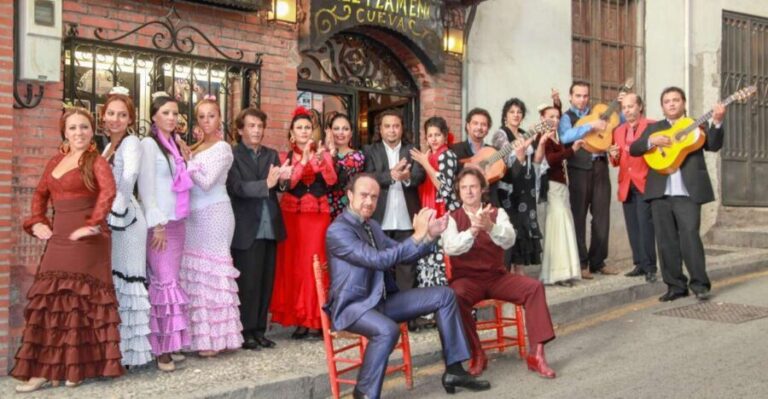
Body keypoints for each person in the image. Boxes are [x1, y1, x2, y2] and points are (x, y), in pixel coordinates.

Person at [325, 173, 491, 399]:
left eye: (374, 197)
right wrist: (417, 236)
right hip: (354, 307)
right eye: (364, 195)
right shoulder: (338, 230)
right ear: (350, 195)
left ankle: (454, 370)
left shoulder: (372, 226)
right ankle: (364, 393)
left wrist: (429, 236)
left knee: (445, 295)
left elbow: (402, 255)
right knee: (387, 330)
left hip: (381, 301)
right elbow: (379, 260)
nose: (369, 202)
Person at [12, 107, 122, 392]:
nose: (79, 133)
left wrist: (94, 223)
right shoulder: (55, 161)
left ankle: (76, 368)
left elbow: (109, 192)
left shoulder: (96, 161)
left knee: (76, 303)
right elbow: (39, 194)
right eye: (73, 128)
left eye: (84, 127)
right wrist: (37, 222)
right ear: (64, 131)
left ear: (91, 131)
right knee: (49, 304)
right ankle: (44, 371)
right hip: (60, 236)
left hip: (87, 239)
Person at [444, 167, 556, 378]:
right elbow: (451, 247)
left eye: (473, 187)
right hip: (467, 280)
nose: (469, 192)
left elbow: (510, 239)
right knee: (454, 296)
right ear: (458, 191)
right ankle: (477, 353)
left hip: (496, 277)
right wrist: (473, 230)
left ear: (482, 189)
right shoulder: (452, 218)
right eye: (464, 188)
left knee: (534, 288)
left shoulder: (497, 213)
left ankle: (537, 354)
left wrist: (490, 227)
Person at [630, 87, 726, 301]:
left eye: (675, 100)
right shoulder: (654, 128)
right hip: (660, 192)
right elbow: (635, 148)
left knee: (690, 236)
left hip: (688, 192)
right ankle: (675, 286)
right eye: (667, 101)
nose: (671, 104)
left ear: (683, 103)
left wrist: (717, 122)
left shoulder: (697, 124)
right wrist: (651, 142)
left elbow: (713, 145)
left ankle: (700, 285)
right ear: (662, 106)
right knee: (665, 241)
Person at [179, 97, 243, 356]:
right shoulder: (196, 146)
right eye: (202, 116)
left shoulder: (223, 148)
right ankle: (198, 336)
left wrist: (187, 160)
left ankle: (217, 339)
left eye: (211, 116)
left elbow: (205, 182)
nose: (207, 120)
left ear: (219, 118)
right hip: (192, 215)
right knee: (195, 273)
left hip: (215, 213)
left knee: (213, 275)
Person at [271, 107, 338, 339]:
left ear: (313, 131)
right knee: (296, 268)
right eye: (299, 127)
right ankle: (300, 320)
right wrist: (304, 162)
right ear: (292, 132)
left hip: (318, 216)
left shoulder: (324, 153)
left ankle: (317, 320)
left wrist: (320, 162)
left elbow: (331, 181)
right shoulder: (284, 157)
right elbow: (287, 185)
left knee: (315, 266)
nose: (303, 131)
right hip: (292, 217)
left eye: (307, 127)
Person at [137, 92, 193, 371]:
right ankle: (162, 350)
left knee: (170, 282)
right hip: (160, 225)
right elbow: (146, 187)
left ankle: (170, 341)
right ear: (154, 117)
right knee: (164, 283)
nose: (171, 118)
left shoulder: (173, 144)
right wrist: (156, 224)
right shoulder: (148, 145)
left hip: (177, 222)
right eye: (166, 113)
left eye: (175, 113)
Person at [100, 87, 153, 368]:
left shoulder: (131, 143)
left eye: (122, 115)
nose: (116, 119)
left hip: (126, 219)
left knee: (128, 282)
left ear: (130, 119)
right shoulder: (108, 146)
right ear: (103, 116)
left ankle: (131, 353)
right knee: (115, 281)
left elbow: (129, 176)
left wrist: (113, 210)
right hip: (112, 216)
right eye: (111, 113)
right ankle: (117, 348)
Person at [228, 108, 288, 350]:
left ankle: (260, 330)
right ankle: (245, 332)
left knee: (265, 282)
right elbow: (237, 187)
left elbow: (279, 187)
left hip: (269, 226)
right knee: (247, 284)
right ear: (241, 129)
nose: (256, 130)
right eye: (251, 126)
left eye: (259, 126)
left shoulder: (271, 154)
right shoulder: (232, 155)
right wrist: (267, 184)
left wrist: (284, 180)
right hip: (246, 228)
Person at [558, 81, 620, 279]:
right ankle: (582, 263)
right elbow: (565, 137)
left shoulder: (599, 112)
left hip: (600, 165)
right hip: (578, 169)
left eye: (585, 96)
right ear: (570, 97)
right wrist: (590, 125)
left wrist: (621, 104)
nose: (582, 100)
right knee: (579, 216)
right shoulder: (566, 117)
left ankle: (598, 261)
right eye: (578, 96)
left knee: (602, 216)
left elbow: (618, 124)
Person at [362, 110, 425, 292]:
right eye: (387, 126)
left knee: (407, 269)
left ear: (401, 129)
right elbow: (367, 177)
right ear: (380, 130)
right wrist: (391, 175)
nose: (392, 130)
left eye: (396, 126)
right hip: (378, 220)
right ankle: (380, 312)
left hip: (406, 220)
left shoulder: (412, 150)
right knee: (377, 268)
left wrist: (405, 178)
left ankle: (407, 315)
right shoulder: (369, 151)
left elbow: (419, 175)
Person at [608, 93, 658, 283]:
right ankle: (638, 263)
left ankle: (650, 267)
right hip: (625, 182)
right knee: (633, 226)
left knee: (646, 226)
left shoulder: (652, 125)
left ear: (640, 107)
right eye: (625, 107)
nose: (627, 110)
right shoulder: (618, 130)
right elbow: (616, 161)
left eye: (631, 106)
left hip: (645, 181)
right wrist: (612, 155)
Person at [491, 98, 544, 275]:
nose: (516, 115)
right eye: (512, 112)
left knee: (524, 228)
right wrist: (526, 143)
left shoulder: (524, 133)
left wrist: (540, 142)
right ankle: (507, 275)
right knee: (511, 228)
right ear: (505, 115)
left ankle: (519, 273)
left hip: (526, 187)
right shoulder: (500, 134)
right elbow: (507, 158)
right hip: (509, 188)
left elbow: (536, 159)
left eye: (519, 112)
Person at [540, 104, 582, 286]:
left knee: (564, 224)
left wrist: (557, 103)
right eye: (551, 117)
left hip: (562, 186)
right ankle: (558, 273)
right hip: (553, 186)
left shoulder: (555, 136)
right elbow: (550, 160)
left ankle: (565, 271)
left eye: (557, 117)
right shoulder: (544, 138)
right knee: (558, 225)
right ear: (542, 119)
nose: (555, 121)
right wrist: (573, 150)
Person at [450, 108, 504, 206]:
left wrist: (519, 155)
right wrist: (466, 165)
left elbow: (505, 177)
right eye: (475, 123)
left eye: (483, 124)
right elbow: (447, 169)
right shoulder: (455, 149)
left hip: (489, 205)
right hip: (463, 206)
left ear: (488, 129)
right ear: (468, 126)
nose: (479, 127)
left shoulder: (494, 151)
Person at [326, 113, 365, 219]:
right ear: (329, 132)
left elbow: (340, 179)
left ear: (351, 133)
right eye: (336, 128)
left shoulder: (357, 156)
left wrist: (332, 154)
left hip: (347, 210)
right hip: (323, 209)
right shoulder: (321, 154)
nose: (341, 132)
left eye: (345, 129)